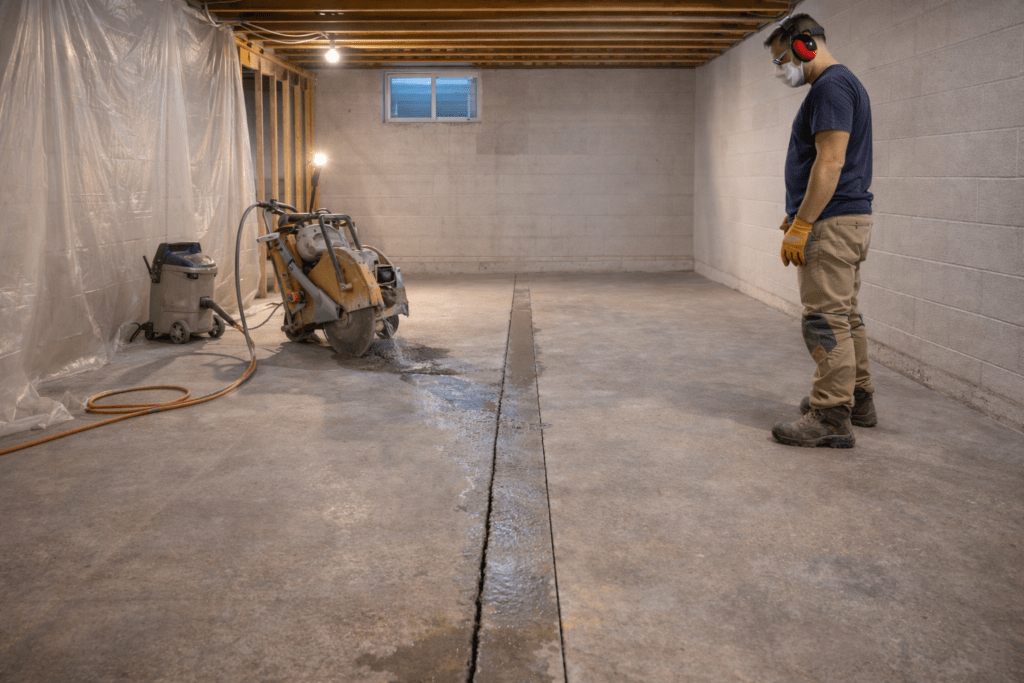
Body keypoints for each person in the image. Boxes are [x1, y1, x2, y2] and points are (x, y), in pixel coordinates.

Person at [765, 14, 877, 448]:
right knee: (846, 316)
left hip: (831, 224)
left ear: (805, 45)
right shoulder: (843, 85)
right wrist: (799, 214)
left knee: (825, 320)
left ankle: (831, 415)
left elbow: (830, 161)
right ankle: (857, 399)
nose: (781, 70)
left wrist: (804, 222)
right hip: (846, 219)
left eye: (782, 60)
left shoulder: (830, 87)